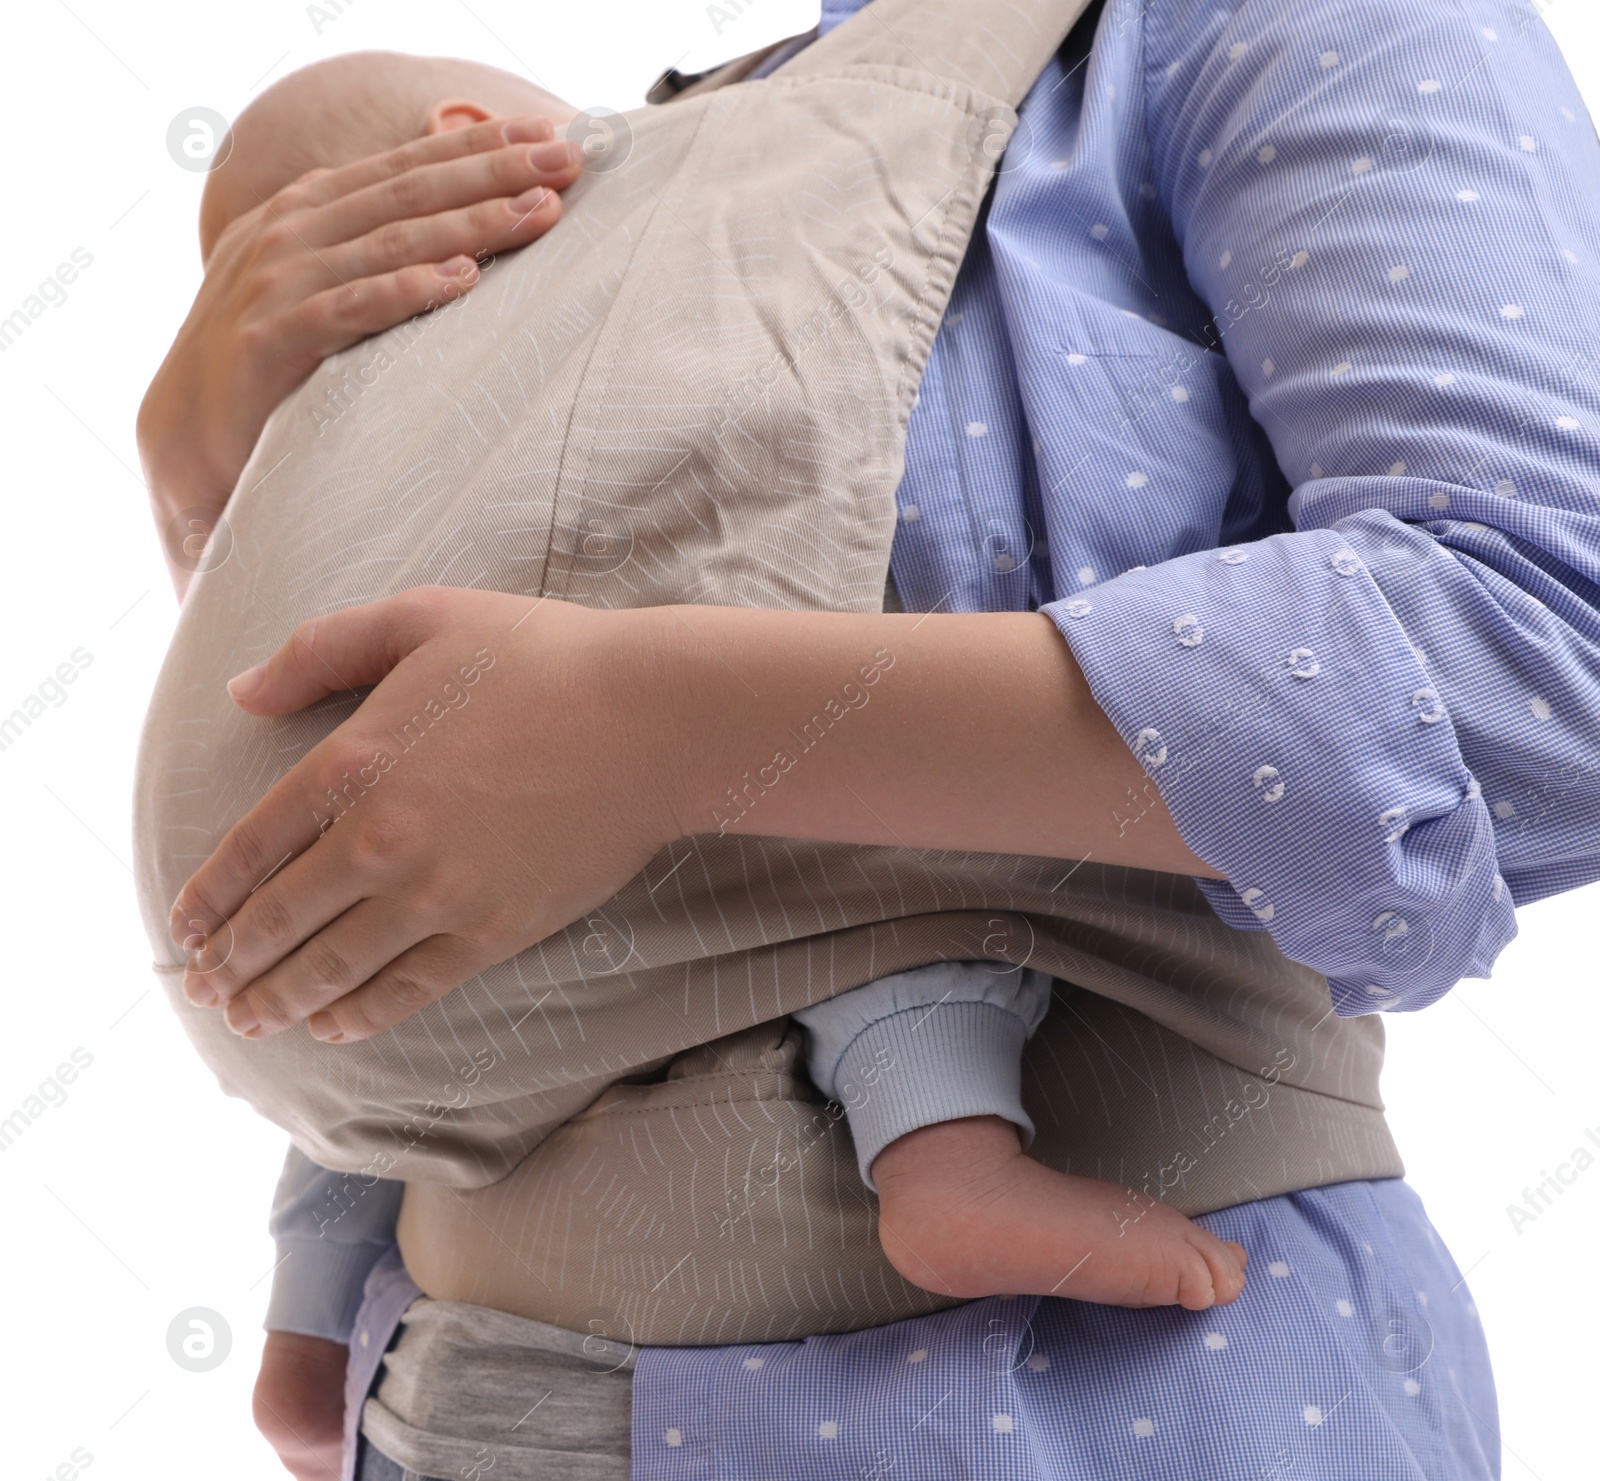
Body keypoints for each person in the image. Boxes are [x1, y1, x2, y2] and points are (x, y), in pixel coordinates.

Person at [145, 0, 1600, 1475]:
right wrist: (211, 479)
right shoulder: (659, 149)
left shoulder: (1263, 27)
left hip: (1077, 1398)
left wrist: (667, 727)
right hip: (447, 1403)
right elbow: (398, 753)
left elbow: (1553, 659)